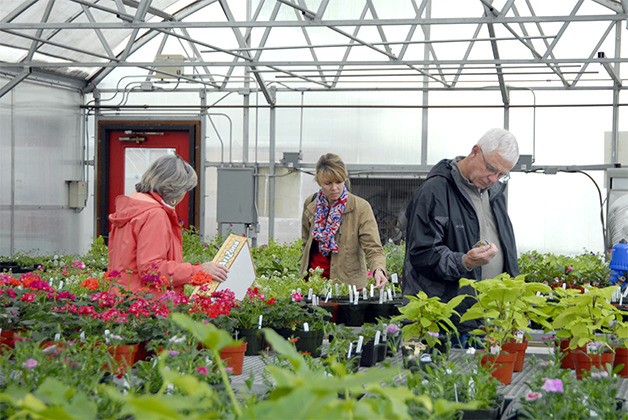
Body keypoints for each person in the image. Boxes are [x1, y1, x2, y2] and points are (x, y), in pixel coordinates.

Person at [402, 128, 520, 345]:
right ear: (475, 152)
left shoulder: (493, 194)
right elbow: (422, 253)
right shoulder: (435, 191)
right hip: (446, 320)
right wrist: (464, 261)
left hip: (487, 319)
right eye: (491, 168)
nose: (494, 179)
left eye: (502, 174)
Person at [107, 154, 228, 296]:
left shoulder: (133, 205)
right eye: (185, 190)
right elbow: (151, 270)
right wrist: (199, 270)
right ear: (174, 189)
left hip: (123, 298)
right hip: (147, 304)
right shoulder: (154, 214)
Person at [301, 153, 388, 290]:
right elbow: (306, 242)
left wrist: (378, 269)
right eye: (328, 183)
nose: (334, 188)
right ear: (319, 182)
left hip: (347, 285)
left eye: (339, 182)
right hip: (313, 282)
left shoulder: (360, 207)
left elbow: (373, 247)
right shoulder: (311, 204)